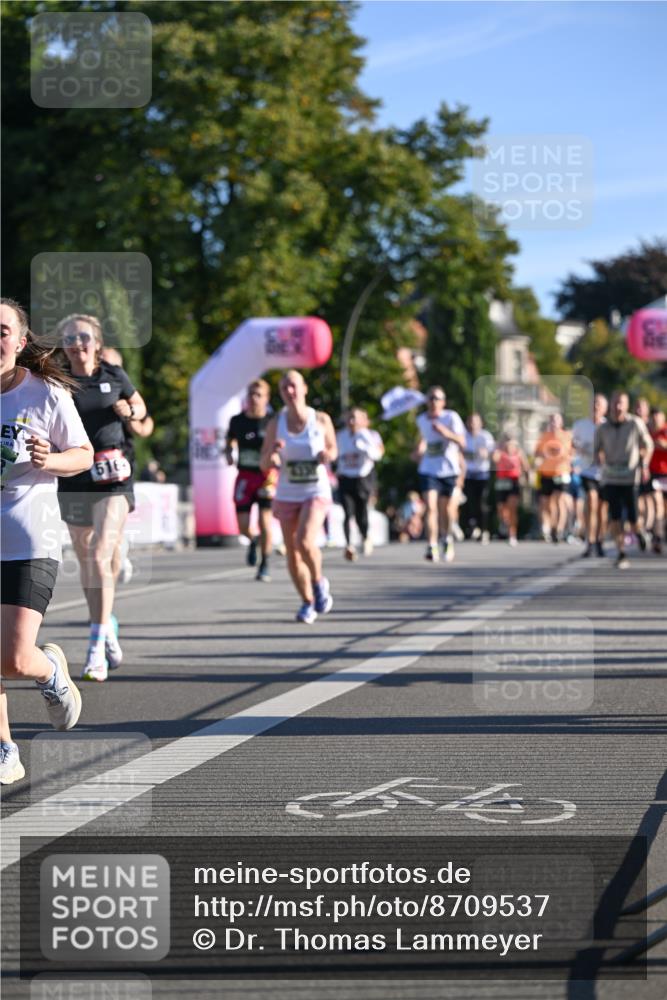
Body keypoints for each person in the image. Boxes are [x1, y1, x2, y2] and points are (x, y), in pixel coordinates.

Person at [1, 298, 93, 784]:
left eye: (1, 331)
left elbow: (83, 454)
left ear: (19, 340)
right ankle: (4, 748)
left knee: (14, 657)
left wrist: (47, 461)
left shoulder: (45, 393)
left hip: (28, 537)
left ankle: (50, 673)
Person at [56, 314, 148, 681]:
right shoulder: (57, 382)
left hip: (113, 477)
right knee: (91, 564)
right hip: (75, 478)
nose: (77, 343)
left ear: (96, 341)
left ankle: (95, 646)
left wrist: (131, 411)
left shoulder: (114, 375)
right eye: (69, 338)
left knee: (100, 552)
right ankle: (105, 625)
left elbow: (141, 409)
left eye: (83, 337)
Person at [260, 370, 337, 624]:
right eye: (284, 388)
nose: (289, 392)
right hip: (287, 492)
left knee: (305, 541)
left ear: (304, 388)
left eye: (293, 386)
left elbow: (333, 449)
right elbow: (264, 462)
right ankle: (307, 602)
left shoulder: (321, 420)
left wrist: (327, 455)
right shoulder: (275, 423)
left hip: (315, 490)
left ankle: (318, 582)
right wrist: (272, 457)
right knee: (292, 552)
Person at [594, 391, 653, 569]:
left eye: (621, 403)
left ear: (627, 405)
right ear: (610, 405)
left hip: (630, 477)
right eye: (615, 403)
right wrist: (600, 460)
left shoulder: (635, 423)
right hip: (611, 477)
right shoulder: (602, 428)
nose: (618, 407)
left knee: (634, 519)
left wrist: (644, 464)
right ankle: (621, 553)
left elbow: (648, 444)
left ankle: (640, 532)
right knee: (615, 517)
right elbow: (597, 450)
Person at [225, 379, 274, 582]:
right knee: (243, 526)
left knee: (265, 522)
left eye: (258, 395)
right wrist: (229, 452)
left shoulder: (272, 421)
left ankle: (265, 564)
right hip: (244, 476)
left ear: (266, 398)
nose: (254, 399)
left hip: (266, 477)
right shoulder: (237, 421)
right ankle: (253, 541)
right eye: (251, 394)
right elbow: (230, 440)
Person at [412, 386, 466, 563]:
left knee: (447, 511)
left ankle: (447, 539)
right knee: (431, 507)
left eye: (437, 398)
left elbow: (462, 442)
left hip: (449, 470)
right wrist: (418, 450)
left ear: (443, 402)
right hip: (429, 470)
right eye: (431, 398)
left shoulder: (451, 417)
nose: (434, 402)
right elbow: (421, 441)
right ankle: (431, 545)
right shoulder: (421, 420)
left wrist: (446, 433)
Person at [336, 407, 384, 561]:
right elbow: (335, 454)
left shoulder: (371, 435)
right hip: (345, 477)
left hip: (363, 477)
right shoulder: (341, 436)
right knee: (347, 511)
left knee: (361, 512)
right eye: (350, 418)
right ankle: (349, 545)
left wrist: (365, 445)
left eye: (355, 418)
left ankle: (365, 536)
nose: (351, 422)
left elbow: (378, 455)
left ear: (365, 421)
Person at [572, 394, 608, 557]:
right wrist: (583, 451)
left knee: (602, 509)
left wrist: (604, 455)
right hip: (587, 471)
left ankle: (600, 540)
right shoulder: (581, 425)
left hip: (606, 473)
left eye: (599, 405)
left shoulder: (609, 426)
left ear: (605, 408)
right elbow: (572, 444)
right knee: (591, 501)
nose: (596, 407)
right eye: (593, 404)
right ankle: (590, 541)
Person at [534, 413, 573, 543]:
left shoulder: (566, 436)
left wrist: (566, 458)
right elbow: (537, 452)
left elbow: (573, 453)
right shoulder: (544, 437)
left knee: (560, 500)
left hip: (561, 473)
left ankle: (559, 529)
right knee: (547, 503)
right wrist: (543, 454)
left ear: (561, 422)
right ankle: (551, 526)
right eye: (551, 421)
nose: (554, 423)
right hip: (546, 473)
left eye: (556, 421)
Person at [462, 413, 494, 543]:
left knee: (482, 502)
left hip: (482, 474)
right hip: (467, 474)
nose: (473, 424)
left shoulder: (485, 436)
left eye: (475, 422)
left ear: (480, 423)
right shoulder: (463, 436)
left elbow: (493, 454)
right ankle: (471, 526)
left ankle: (484, 529)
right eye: (470, 421)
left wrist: (485, 453)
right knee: (469, 501)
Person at [492, 436, 529, 546]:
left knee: (512, 509)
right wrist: (499, 448)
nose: (509, 446)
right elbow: (494, 460)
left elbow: (526, 467)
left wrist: (526, 480)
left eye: (511, 444)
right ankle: (504, 522)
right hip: (502, 481)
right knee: (501, 509)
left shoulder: (519, 453)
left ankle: (512, 534)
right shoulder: (500, 453)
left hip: (514, 481)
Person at [648, 407, 667, 554]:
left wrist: (663, 445)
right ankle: (658, 536)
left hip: (666, 473)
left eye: (658, 417)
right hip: (653, 474)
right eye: (653, 417)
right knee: (657, 504)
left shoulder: (665, 431)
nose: (655, 420)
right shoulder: (647, 431)